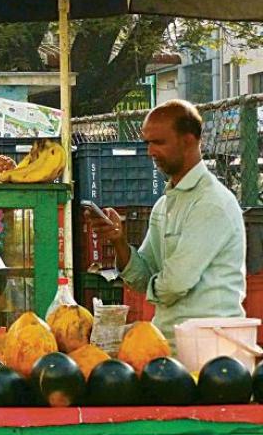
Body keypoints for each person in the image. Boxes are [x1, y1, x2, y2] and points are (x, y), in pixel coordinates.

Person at [87, 99, 245, 340]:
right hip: (166, 344)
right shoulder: (165, 204)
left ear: (189, 140)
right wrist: (118, 240)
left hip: (211, 346)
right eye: (147, 143)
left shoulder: (212, 203)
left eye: (158, 142)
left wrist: (151, 287)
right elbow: (143, 277)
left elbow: (175, 284)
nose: (150, 151)